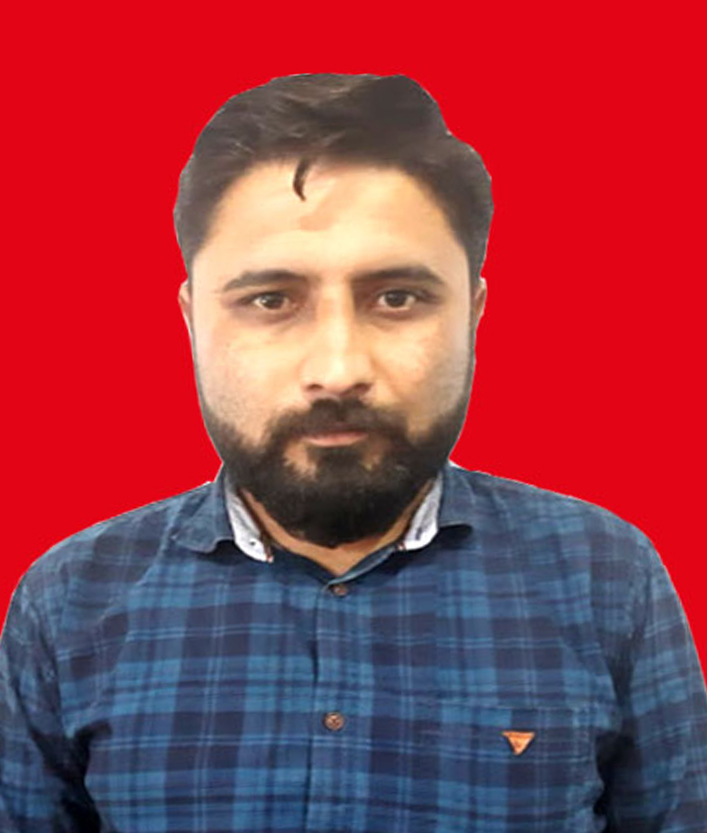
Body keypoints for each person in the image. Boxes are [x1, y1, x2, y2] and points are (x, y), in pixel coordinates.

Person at [1, 73, 706, 833]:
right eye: (271, 299)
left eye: (396, 297)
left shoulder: (607, 577)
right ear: (192, 318)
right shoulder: (68, 602)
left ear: (472, 312)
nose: (337, 369)